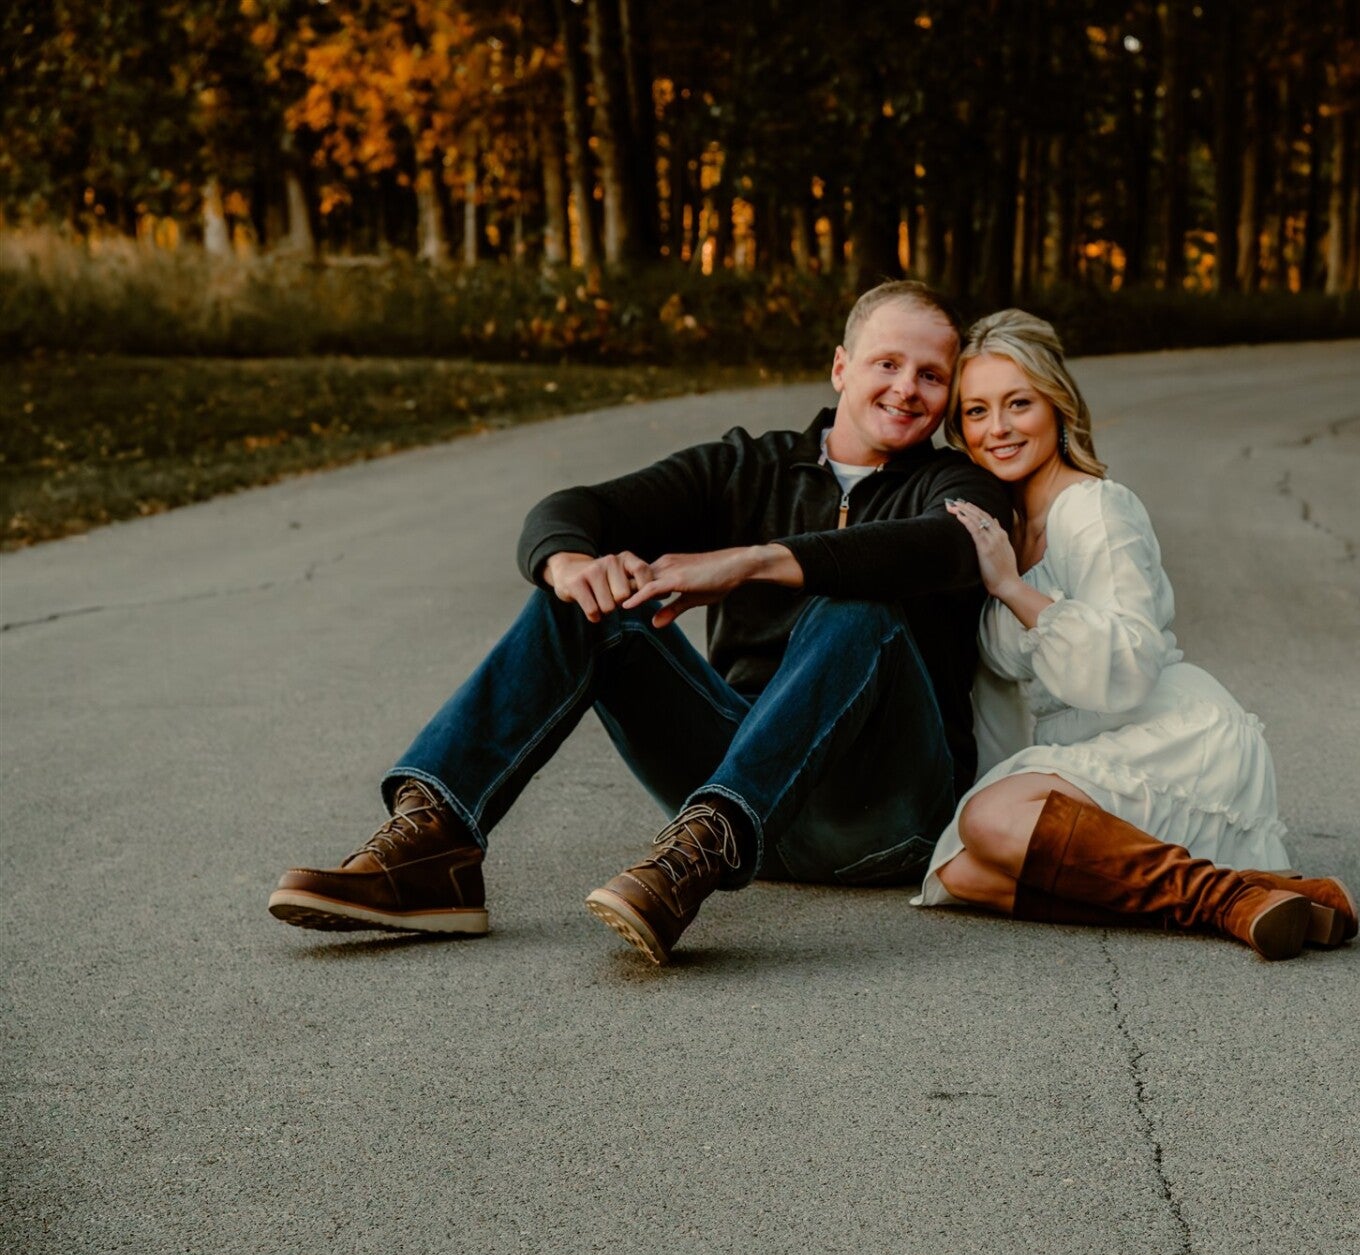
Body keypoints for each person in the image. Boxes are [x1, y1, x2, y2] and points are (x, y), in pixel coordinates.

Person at [269, 281, 1015, 963]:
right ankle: (435, 846)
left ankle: (708, 841)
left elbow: (945, 546)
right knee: (588, 595)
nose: (906, 388)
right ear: (841, 368)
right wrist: (567, 563)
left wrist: (749, 560)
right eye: (887, 363)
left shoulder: (956, 486)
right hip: (735, 798)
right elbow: (573, 510)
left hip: (880, 816)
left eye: (931, 375)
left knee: (861, 606)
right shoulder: (743, 468)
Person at [919, 309, 1357, 959]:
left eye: (1019, 403)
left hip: (1166, 737)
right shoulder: (1001, 526)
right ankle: (1258, 894)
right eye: (977, 411)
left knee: (991, 820)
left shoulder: (1096, 509)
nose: (998, 428)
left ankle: (1227, 901)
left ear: (1058, 405)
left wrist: (1013, 588)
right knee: (962, 871)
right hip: (1082, 750)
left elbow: (1126, 667)